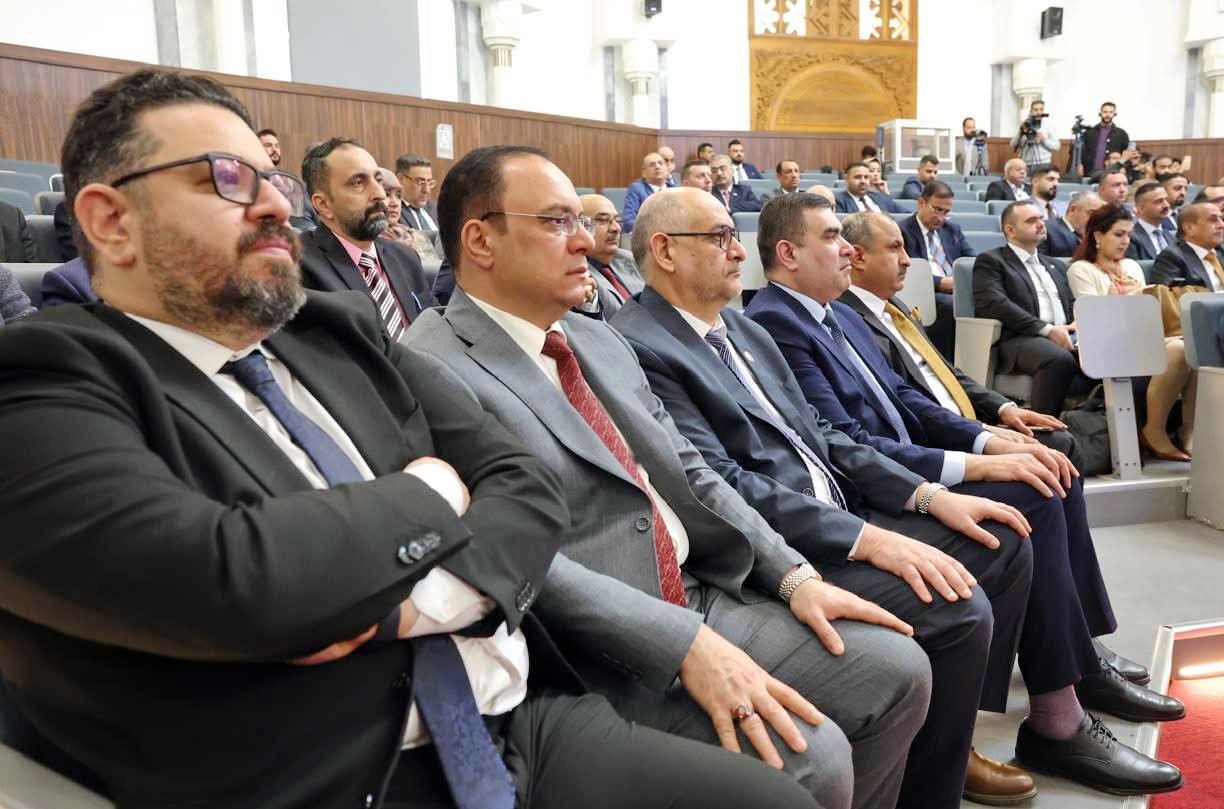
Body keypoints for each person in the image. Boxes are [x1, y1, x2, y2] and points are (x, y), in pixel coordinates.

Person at [0, 66, 834, 809]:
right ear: (110, 220)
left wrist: (388, 601)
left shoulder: (333, 332)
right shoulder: (43, 381)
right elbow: (237, 580)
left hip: (517, 720)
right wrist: (432, 491)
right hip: (329, 770)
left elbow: (526, 483)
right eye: (225, 178)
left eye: (271, 178)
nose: (276, 204)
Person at [406, 145, 934, 809]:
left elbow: (689, 468)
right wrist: (682, 643)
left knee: (899, 671)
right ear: (480, 240)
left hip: (698, 587)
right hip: (601, 644)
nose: (585, 241)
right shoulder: (433, 361)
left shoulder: (594, 337)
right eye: (557, 222)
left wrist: (792, 576)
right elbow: (516, 554)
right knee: (811, 757)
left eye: (581, 221)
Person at [610, 189, 1038, 809]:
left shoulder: (742, 328)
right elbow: (721, 482)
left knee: (1000, 539)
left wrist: (924, 496)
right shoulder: (641, 345)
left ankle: (946, 749)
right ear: (665, 251)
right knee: (958, 608)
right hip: (780, 544)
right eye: (721, 237)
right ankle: (928, 786)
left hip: (839, 508)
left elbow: (824, 433)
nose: (739, 252)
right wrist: (866, 539)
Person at [745, 206, 1184, 798]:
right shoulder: (774, 323)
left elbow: (904, 396)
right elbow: (843, 442)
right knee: (1030, 497)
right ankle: (1056, 716)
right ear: (788, 254)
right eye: (832, 238)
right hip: (875, 486)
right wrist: (972, 464)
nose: (847, 248)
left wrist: (987, 437)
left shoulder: (835, 313)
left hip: (904, 464)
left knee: (1045, 471)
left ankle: (1076, 670)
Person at [1067, 204, 1196, 461]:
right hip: (1105, 341)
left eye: (1128, 234)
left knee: (1194, 348)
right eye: (1119, 234)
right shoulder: (1081, 269)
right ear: (1098, 236)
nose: (1126, 241)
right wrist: (1128, 296)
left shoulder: (1132, 266)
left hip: (1141, 335)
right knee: (1178, 349)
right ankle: (1154, 430)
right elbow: (1095, 316)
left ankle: (1188, 431)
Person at [298, 138, 436, 339]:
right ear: (323, 204)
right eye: (358, 183)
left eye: (378, 180)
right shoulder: (299, 266)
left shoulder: (406, 258)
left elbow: (433, 333)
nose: (379, 194)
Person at [973, 201, 1098, 415]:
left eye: (1041, 218)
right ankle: (1044, 427)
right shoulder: (992, 261)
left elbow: (1071, 303)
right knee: (1057, 358)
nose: (1041, 224)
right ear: (1010, 230)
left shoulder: (1055, 264)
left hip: (1065, 334)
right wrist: (1047, 330)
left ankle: (1097, 422)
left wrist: (1077, 322)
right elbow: (994, 304)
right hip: (1019, 338)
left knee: (1113, 352)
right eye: (1031, 221)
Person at [898, 180, 972, 360]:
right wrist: (940, 283)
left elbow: (971, 259)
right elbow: (905, 270)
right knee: (950, 305)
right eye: (937, 209)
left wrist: (959, 282)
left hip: (956, 288)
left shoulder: (952, 229)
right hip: (923, 291)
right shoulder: (903, 230)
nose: (941, 217)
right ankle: (944, 361)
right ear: (921, 203)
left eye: (946, 212)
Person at [581, 193, 644, 315]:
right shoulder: (576, 274)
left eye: (618, 220)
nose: (616, 228)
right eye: (603, 220)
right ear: (580, 225)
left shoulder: (629, 258)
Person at [1151, 202, 1224, 292]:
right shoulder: (1171, 257)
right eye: (1212, 220)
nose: (1221, 225)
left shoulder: (1221, 250)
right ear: (1189, 228)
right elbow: (1166, 296)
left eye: (1221, 219)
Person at [374, 167, 441, 261]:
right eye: (387, 194)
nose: (395, 203)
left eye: (398, 196)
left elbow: (435, 267)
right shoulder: (367, 242)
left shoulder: (414, 235)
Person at [1042, 191, 1103, 259]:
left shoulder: (1096, 235)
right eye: (1091, 213)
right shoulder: (1046, 229)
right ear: (1072, 209)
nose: (1094, 219)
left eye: (1097, 216)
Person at [623, 151, 671, 233]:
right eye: (652, 165)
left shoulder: (676, 189)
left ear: (667, 170)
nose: (657, 167)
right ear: (644, 173)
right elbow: (628, 222)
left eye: (660, 163)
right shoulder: (636, 189)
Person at [1128, 183, 1175, 261]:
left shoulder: (1170, 236)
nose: (1166, 205)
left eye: (1166, 200)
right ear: (1140, 208)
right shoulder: (1131, 237)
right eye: (1159, 201)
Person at [1080, 103, 1129, 177]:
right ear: (1100, 113)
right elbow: (1081, 152)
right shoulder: (1089, 133)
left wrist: (1123, 167)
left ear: (1114, 114)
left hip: (1113, 173)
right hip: (1090, 173)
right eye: (1105, 112)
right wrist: (1080, 165)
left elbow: (1126, 154)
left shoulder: (1122, 134)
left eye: (1111, 112)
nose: (1108, 115)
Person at [394, 154, 440, 232]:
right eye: (420, 182)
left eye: (429, 182)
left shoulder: (437, 209)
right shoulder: (393, 211)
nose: (426, 190)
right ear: (400, 179)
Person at [834, 162, 902, 214]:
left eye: (866, 177)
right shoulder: (838, 201)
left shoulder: (881, 197)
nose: (863, 181)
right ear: (847, 179)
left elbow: (905, 215)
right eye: (858, 177)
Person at [1010, 99, 1060, 168]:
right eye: (1036, 110)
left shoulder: (1049, 125)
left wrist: (1044, 140)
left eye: (1041, 109)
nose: (1039, 112)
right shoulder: (1025, 124)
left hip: (1043, 163)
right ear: (1030, 112)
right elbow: (1012, 144)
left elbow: (1057, 146)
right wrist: (1020, 133)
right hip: (1025, 163)